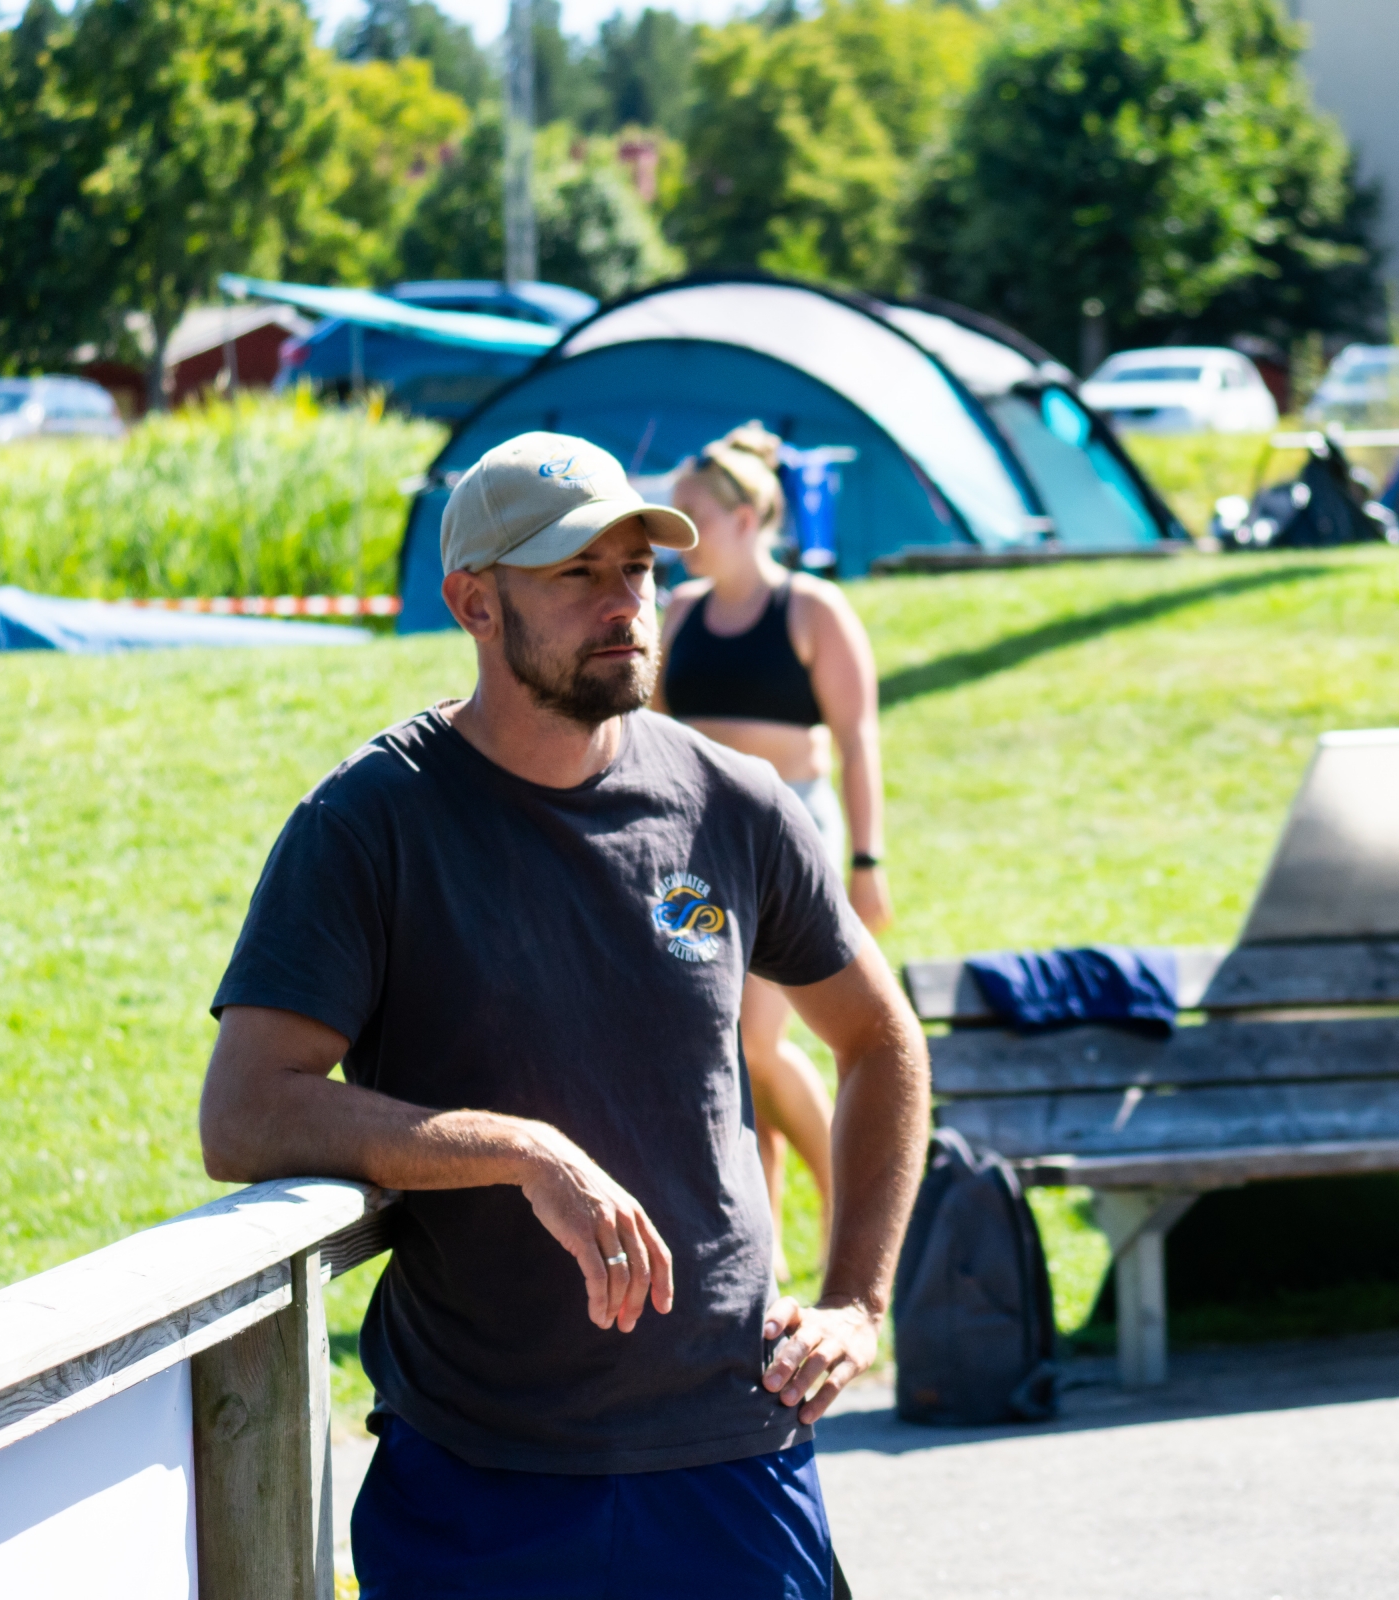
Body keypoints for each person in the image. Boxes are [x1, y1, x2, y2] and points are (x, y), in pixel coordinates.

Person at [197, 432, 929, 1595]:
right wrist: (518, 1149)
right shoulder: (370, 821)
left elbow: (881, 1041)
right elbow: (244, 1112)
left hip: (733, 1452)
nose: (623, 603)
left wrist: (855, 1301)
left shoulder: (733, 803)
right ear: (473, 603)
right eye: (576, 573)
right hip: (480, 1476)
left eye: (636, 569)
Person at [655, 422, 891, 1278]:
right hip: (697, 842)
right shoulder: (679, 612)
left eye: (696, 515)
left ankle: (849, 1212)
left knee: (757, 1040)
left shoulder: (811, 609)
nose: (681, 533)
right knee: (723, 1049)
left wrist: (867, 863)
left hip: (790, 834)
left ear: (748, 518)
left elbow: (857, 741)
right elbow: (649, 730)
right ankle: (762, 1244)